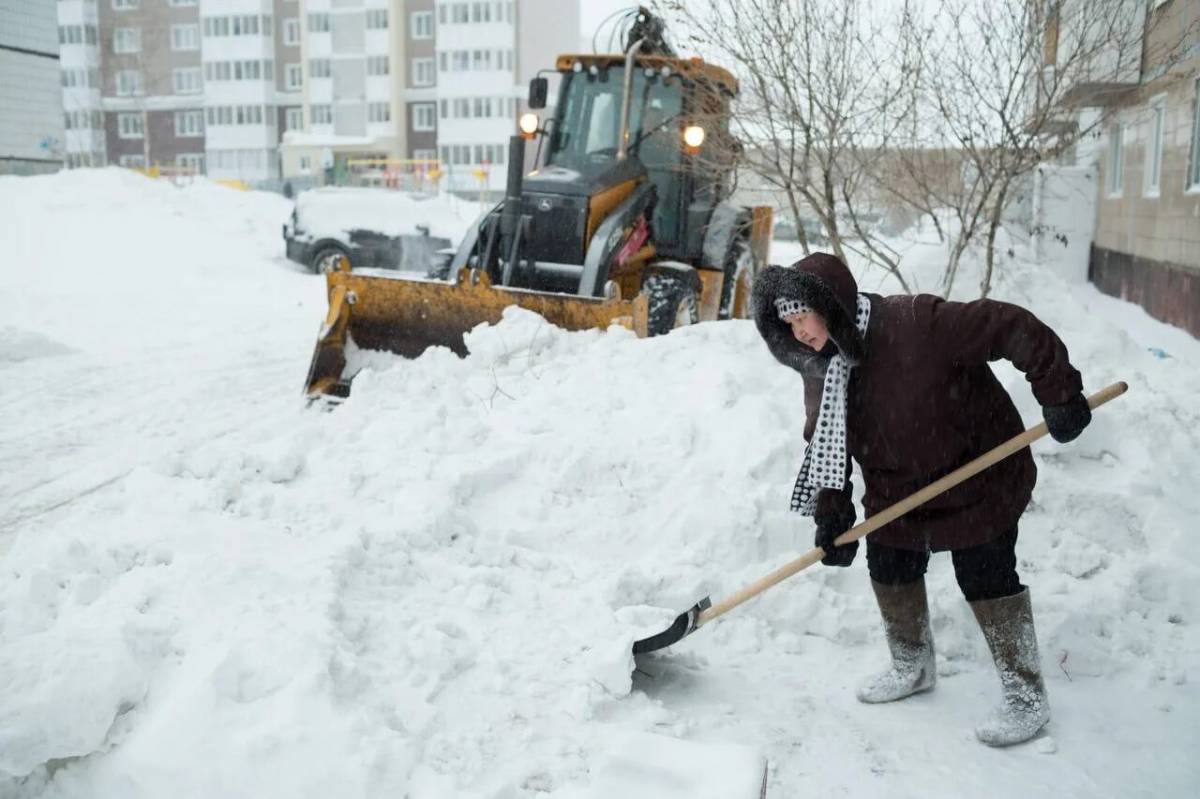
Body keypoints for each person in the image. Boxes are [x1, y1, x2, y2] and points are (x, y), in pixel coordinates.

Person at [751, 253, 1092, 746]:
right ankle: (912, 665)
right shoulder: (823, 368)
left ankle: (1026, 695)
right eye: (787, 322)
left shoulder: (918, 323)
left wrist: (1059, 392)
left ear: (832, 304)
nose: (798, 331)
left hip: (978, 472)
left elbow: (1010, 326)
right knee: (888, 565)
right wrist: (833, 512)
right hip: (899, 490)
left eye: (802, 314)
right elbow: (825, 440)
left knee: (985, 576)